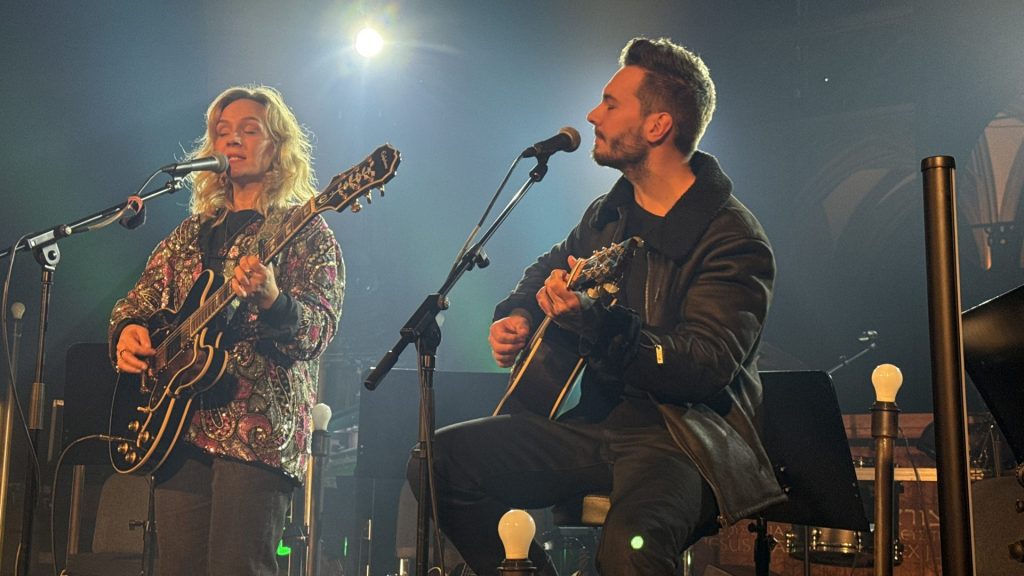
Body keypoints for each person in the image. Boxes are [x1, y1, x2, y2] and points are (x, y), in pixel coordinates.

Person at [414, 37, 785, 575]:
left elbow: (703, 365)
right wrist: (518, 313)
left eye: (611, 104)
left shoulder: (732, 238)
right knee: (438, 465)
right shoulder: (608, 215)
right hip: (593, 428)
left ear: (658, 126)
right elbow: (548, 269)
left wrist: (595, 322)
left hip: (683, 442)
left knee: (630, 545)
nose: (592, 114)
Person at [110, 85, 344, 575]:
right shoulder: (190, 233)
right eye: (222, 132)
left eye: (248, 130)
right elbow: (141, 298)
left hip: (254, 432)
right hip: (178, 427)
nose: (232, 140)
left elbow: (318, 330)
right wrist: (128, 330)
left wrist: (275, 300)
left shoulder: (306, 231)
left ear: (277, 147)